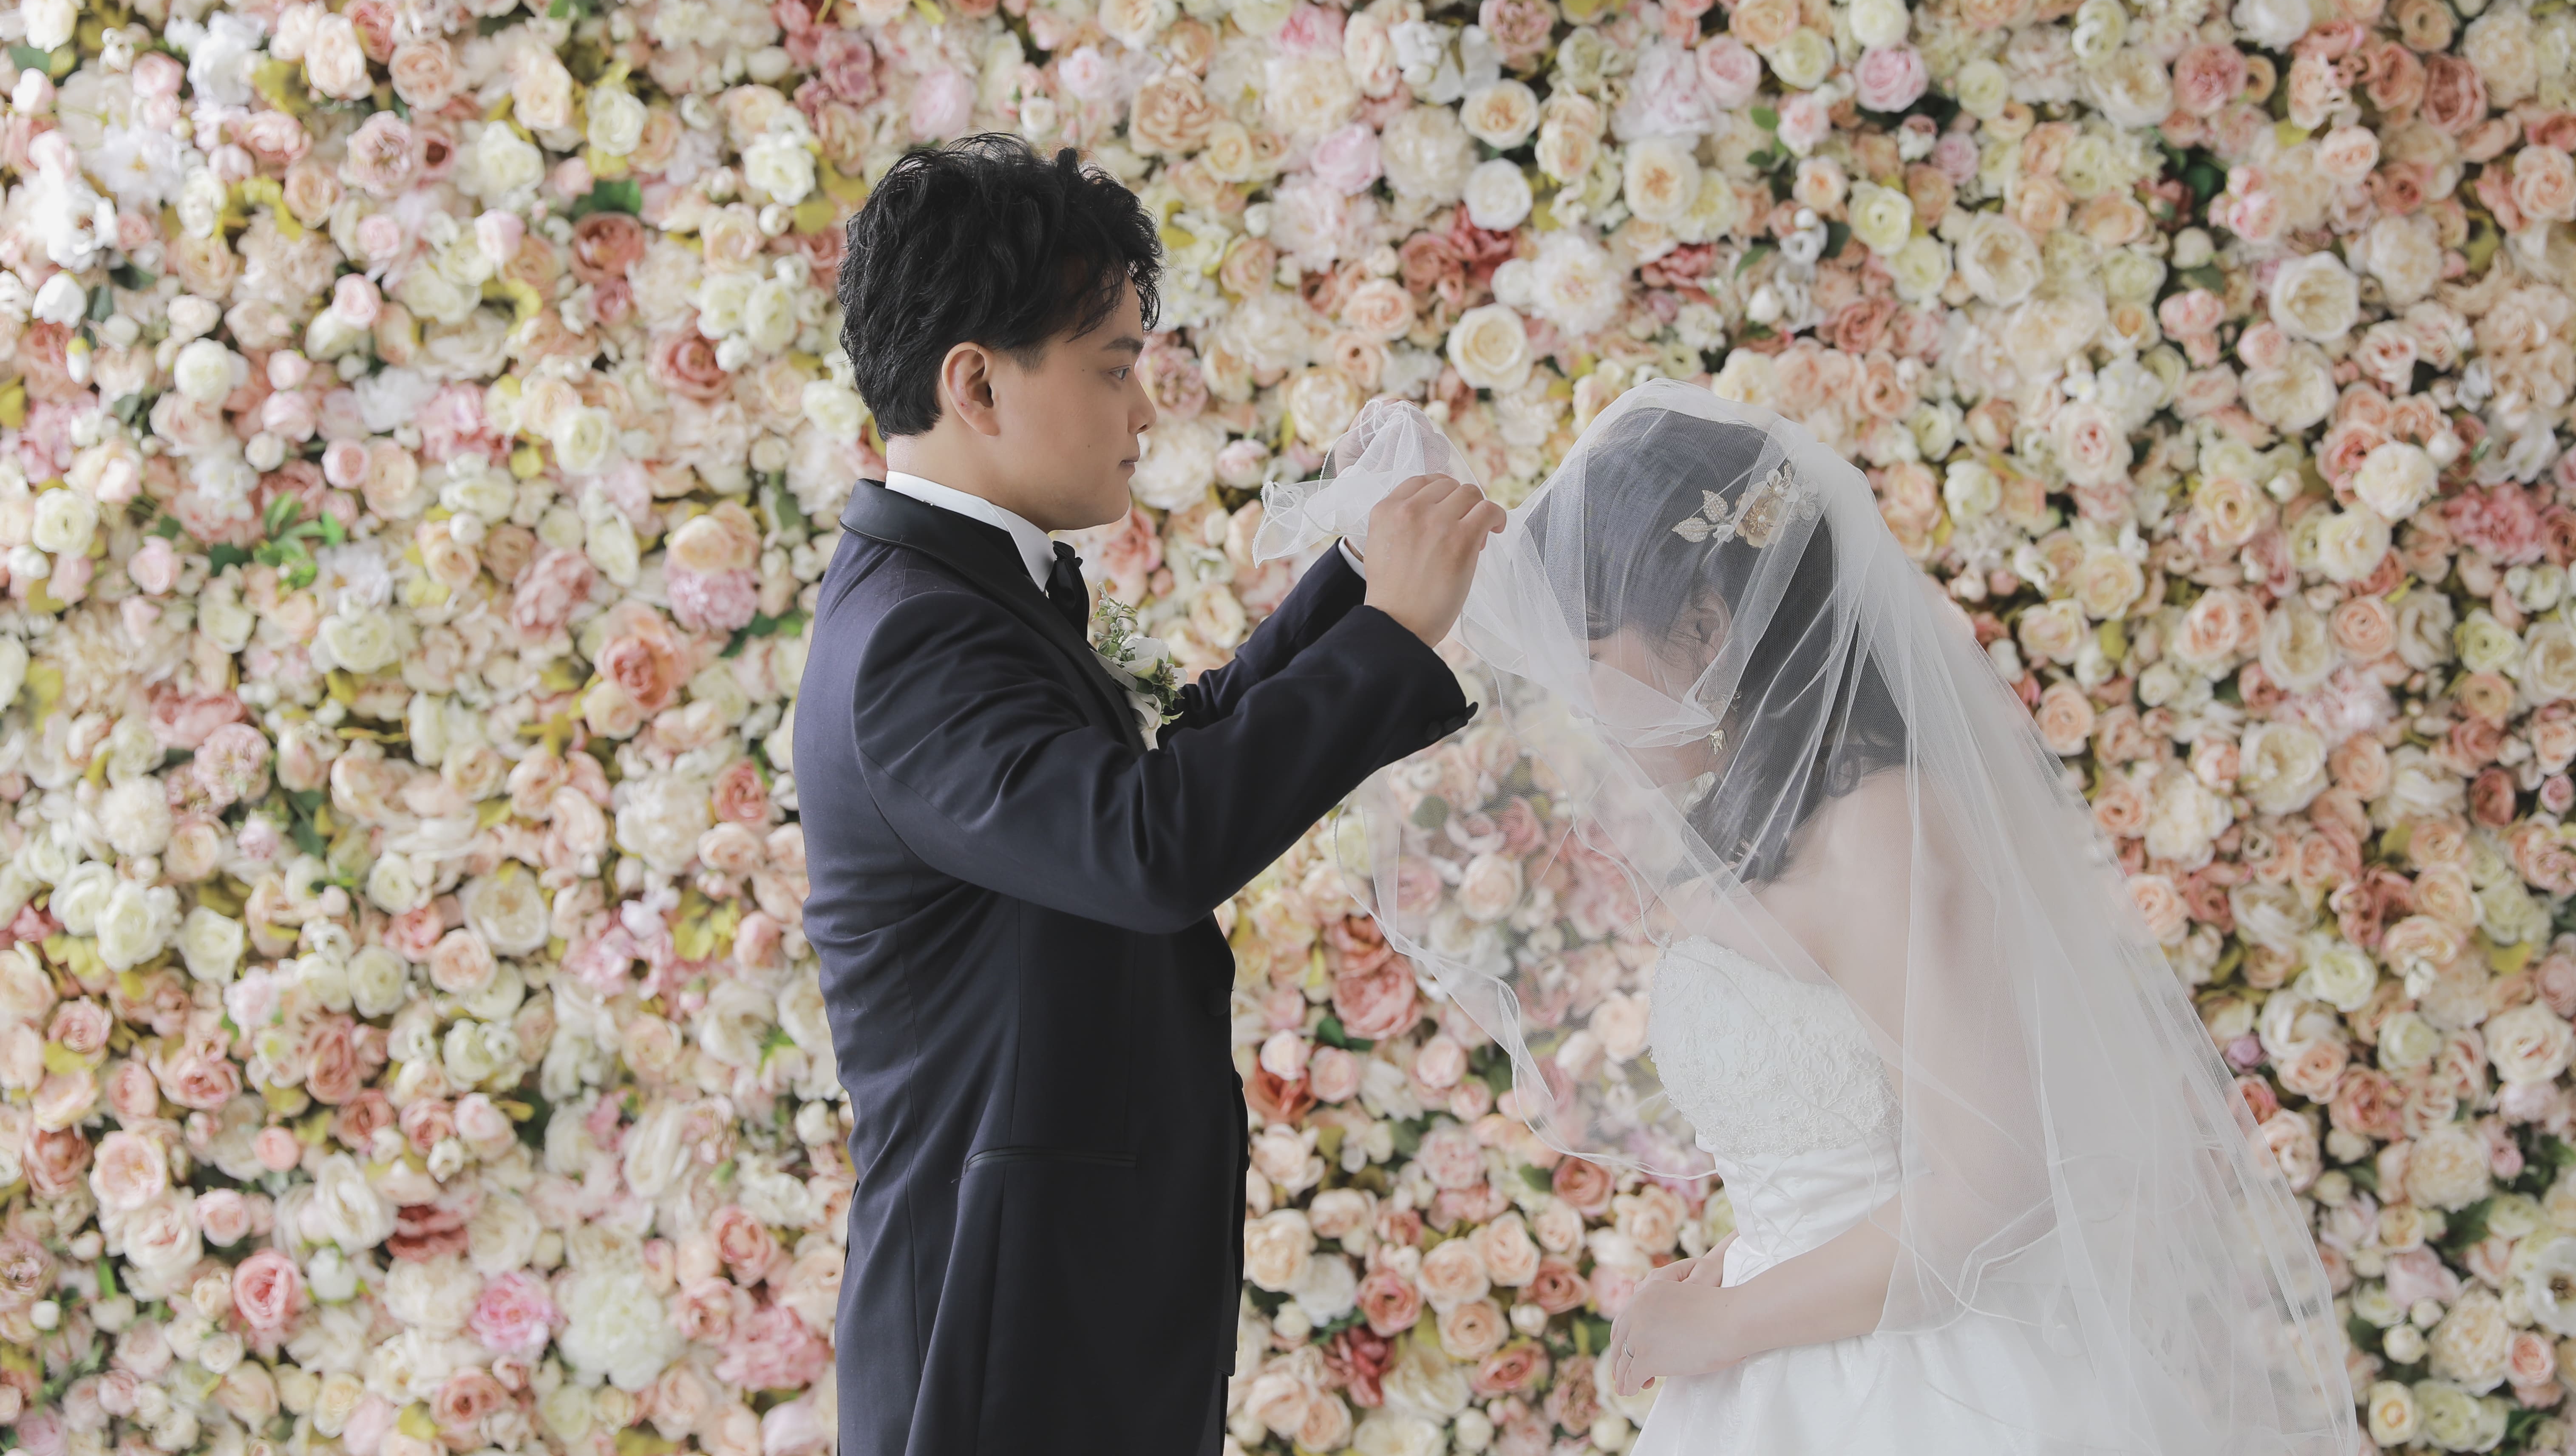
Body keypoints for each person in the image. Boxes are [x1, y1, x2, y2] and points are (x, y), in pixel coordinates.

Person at [1269, 384, 2358, 1456]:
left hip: (1924, 1385)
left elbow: (1998, 1182)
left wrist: (1726, 1322)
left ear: (1707, 625)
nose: (1582, 704)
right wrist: (1739, 1270)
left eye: (1591, 659)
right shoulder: (1780, 828)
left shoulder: (1883, 825)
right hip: (1800, 1348)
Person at [790, 136, 1505, 1456]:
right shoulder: (916, 640)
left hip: (1055, 1307)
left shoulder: (959, 596)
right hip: (998, 1340)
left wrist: (1361, 580)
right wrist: (1389, 637)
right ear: (975, 383)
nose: (1143, 415)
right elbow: (1146, 848)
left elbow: (1148, 776)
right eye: (1114, 369)